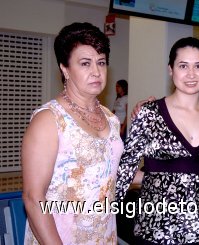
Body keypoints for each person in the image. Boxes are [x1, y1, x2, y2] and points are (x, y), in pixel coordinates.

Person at [116, 37, 199, 244]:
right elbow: (124, 172)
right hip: (154, 233)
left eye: (198, 66)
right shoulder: (149, 114)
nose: (191, 74)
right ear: (171, 70)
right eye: (183, 66)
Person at [21, 22, 124, 244]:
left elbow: (108, 172)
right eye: (85, 63)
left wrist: (166, 174)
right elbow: (33, 197)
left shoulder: (111, 119)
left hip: (103, 236)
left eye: (101, 62)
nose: (96, 71)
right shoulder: (49, 120)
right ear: (65, 69)